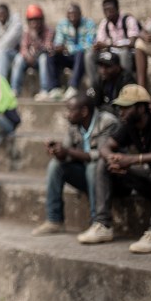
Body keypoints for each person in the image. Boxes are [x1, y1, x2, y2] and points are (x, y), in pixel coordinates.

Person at [77, 85, 151, 254]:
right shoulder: (129, 125)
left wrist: (132, 160)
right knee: (104, 163)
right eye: (119, 107)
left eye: (126, 107)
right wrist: (112, 158)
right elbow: (105, 146)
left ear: (140, 108)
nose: (121, 112)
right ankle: (103, 224)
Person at [31, 94, 119, 236]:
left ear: (84, 112)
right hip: (86, 175)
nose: (67, 115)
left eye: (70, 110)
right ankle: (54, 220)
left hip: (111, 178)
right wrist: (58, 152)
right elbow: (67, 151)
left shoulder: (107, 122)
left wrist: (67, 151)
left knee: (93, 166)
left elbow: (102, 154)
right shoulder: (74, 125)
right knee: (56, 165)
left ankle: (98, 223)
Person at [50, 3, 97, 101]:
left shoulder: (89, 24)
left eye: (75, 14)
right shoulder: (62, 24)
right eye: (70, 14)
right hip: (67, 57)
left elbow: (88, 45)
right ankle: (55, 88)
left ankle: (73, 87)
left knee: (81, 53)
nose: (72, 17)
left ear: (80, 14)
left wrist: (69, 48)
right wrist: (57, 47)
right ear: (67, 15)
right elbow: (58, 41)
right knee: (51, 54)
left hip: (81, 58)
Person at [88, 0, 140, 80]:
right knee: (90, 55)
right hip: (112, 54)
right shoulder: (104, 23)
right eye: (105, 10)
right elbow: (100, 41)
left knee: (124, 53)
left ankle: (126, 83)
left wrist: (109, 45)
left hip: (129, 54)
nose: (108, 13)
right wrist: (97, 46)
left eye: (110, 10)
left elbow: (132, 43)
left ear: (117, 9)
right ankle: (95, 86)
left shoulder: (128, 20)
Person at [11, 4, 56, 100]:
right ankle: (15, 90)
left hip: (41, 59)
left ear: (41, 20)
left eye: (37, 20)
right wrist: (28, 56)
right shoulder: (26, 32)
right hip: (29, 59)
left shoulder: (49, 31)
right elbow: (23, 48)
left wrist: (36, 38)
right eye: (31, 20)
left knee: (44, 58)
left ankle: (44, 90)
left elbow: (47, 48)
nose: (34, 23)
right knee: (18, 58)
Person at [88, 51, 135, 115]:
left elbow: (125, 109)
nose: (103, 71)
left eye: (107, 67)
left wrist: (105, 108)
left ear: (118, 67)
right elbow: (94, 103)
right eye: (101, 66)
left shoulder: (126, 80)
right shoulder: (100, 78)